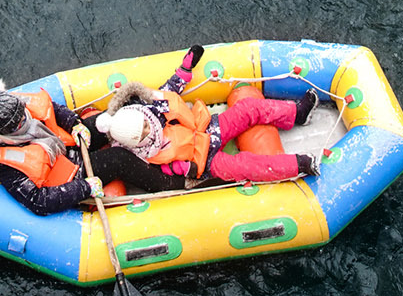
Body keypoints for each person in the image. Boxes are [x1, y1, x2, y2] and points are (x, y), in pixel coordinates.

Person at [94, 45, 319, 188]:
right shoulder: (141, 157)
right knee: (245, 166)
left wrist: (185, 68)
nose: (148, 130)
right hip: (204, 161)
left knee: (248, 109)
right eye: (142, 134)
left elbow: (169, 90)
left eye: (144, 125)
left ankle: (296, 114)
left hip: (206, 129)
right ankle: (299, 164)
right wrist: (187, 174)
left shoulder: (150, 110)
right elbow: (161, 177)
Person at [0, 77, 127, 216]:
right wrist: (84, 187)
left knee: (110, 122)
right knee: (119, 159)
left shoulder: (12, 104)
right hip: (70, 173)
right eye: (18, 124)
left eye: (23, 116)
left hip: (67, 142)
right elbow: (38, 201)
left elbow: (50, 107)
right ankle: (153, 181)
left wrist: (73, 123)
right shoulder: (5, 165)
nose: (25, 121)